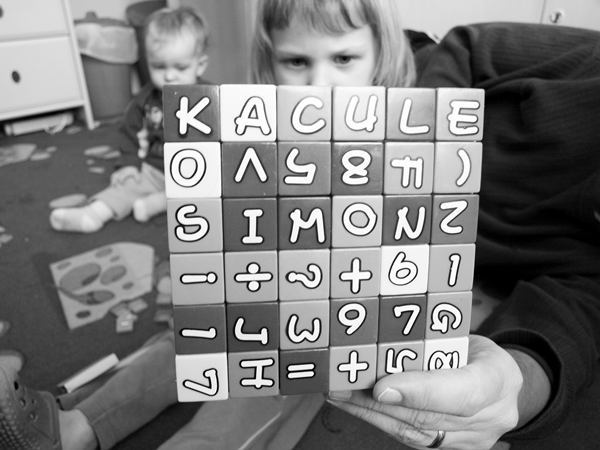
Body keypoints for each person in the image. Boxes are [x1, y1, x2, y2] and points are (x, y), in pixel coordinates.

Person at [3, 1, 600, 450]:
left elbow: (571, 305)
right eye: (296, 62)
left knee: (313, 387)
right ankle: (79, 424)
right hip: (317, 244)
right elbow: (462, 51)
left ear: (378, 58)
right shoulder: (307, 117)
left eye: (342, 60)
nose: (320, 85)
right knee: (210, 325)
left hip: (426, 281)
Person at [49, 6, 209, 233]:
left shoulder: (213, 98)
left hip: (199, 174)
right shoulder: (145, 100)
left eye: (181, 68)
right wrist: (128, 165)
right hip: (156, 170)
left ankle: (158, 203)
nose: (169, 75)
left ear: (200, 65)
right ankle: (94, 213)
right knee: (126, 186)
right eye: (158, 66)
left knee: (217, 190)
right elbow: (129, 135)